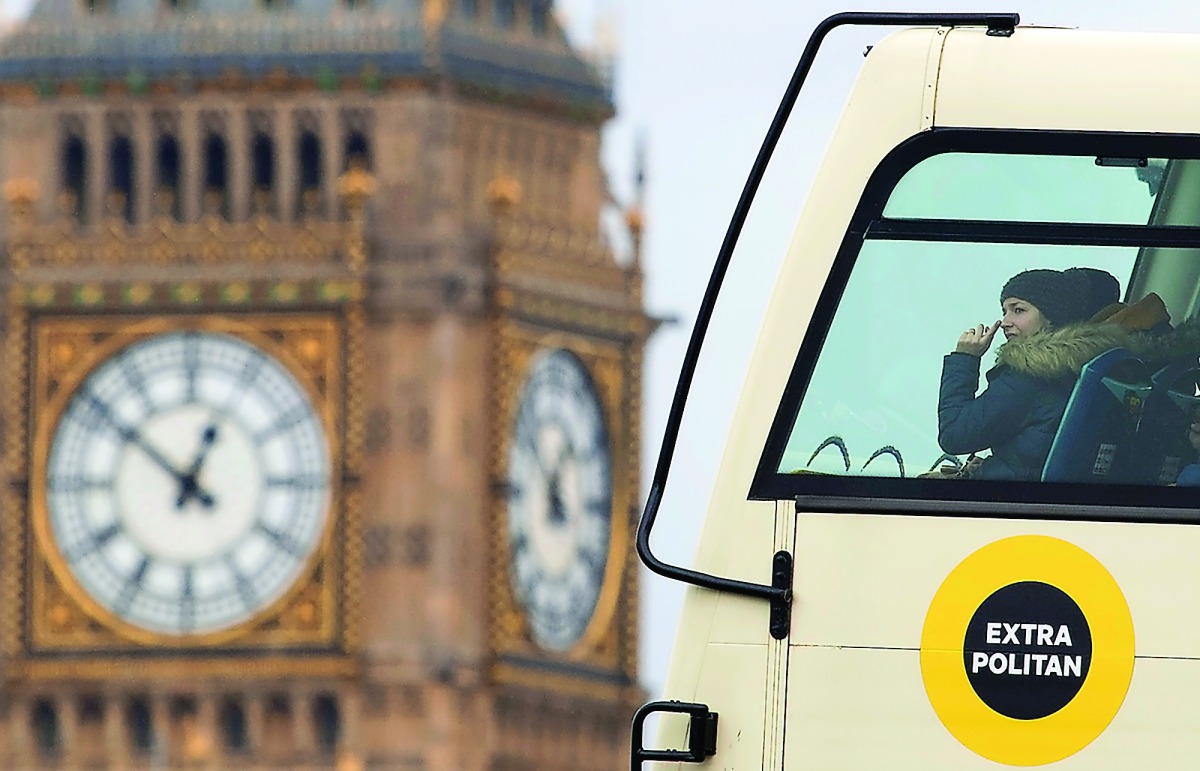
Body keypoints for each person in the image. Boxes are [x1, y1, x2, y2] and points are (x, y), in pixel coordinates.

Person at [937, 268, 1130, 480]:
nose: (1005, 322)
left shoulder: (1031, 374)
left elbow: (954, 436)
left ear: (1051, 317)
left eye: (1018, 310)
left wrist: (965, 358)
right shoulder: (1085, 362)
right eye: (1004, 311)